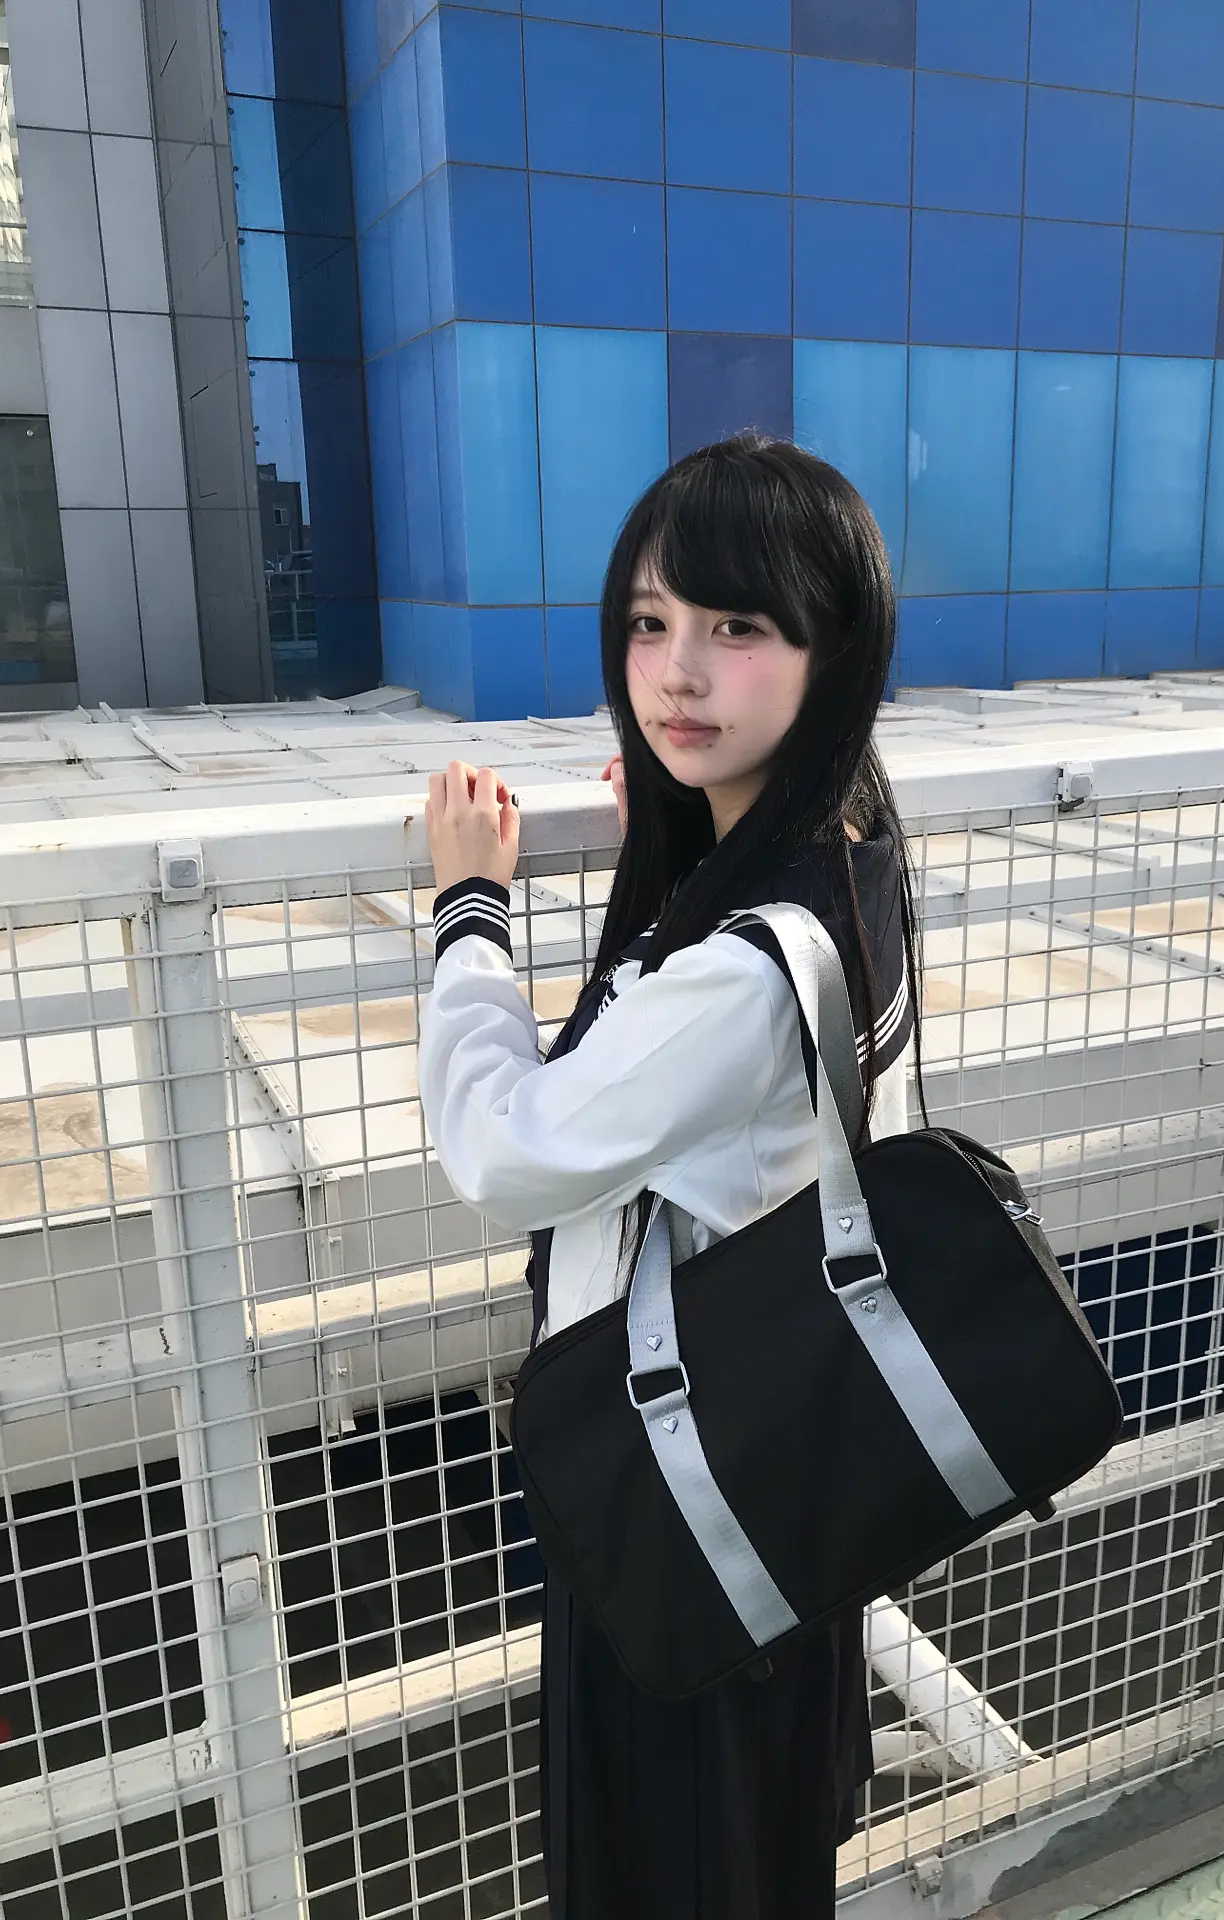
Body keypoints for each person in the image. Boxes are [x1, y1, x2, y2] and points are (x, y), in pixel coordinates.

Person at [417, 433, 932, 1920]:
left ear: (835, 653)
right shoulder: (847, 855)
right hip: (766, 1466)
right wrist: (679, 824)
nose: (679, 673)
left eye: (737, 626)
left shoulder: (745, 968)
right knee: (749, 1857)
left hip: (680, 1486)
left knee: (670, 1863)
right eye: (650, 623)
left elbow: (507, 1149)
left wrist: (469, 913)